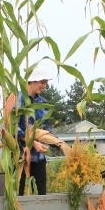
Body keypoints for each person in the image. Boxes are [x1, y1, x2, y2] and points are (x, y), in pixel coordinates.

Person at [17, 66, 61, 196]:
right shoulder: (17, 99)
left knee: (41, 195)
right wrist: (32, 142)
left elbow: (45, 127)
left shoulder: (42, 102)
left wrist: (56, 142)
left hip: (38, 157)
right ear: (32, 81)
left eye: (46, 82)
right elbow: (13, 127)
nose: (45, 86)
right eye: (43, 82)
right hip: (19, 156)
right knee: (19, 195)